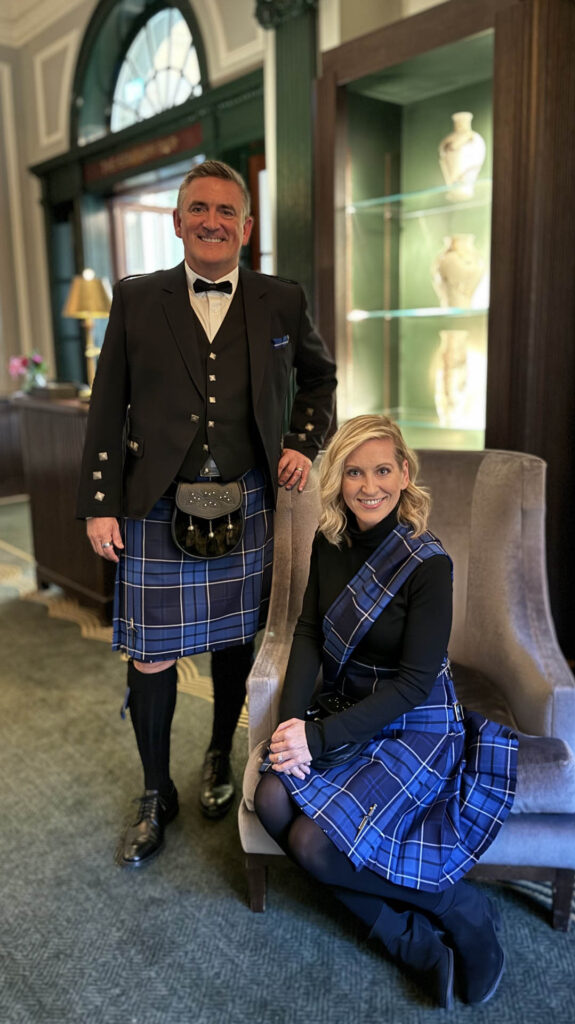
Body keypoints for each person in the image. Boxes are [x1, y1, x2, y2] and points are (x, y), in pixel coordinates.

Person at [76, 159, 336, 869]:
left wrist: (302, 442)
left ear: (246, 226)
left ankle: (218, 757)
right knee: (153, 655)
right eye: (199, 209)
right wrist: (100, 504)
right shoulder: (136, 299)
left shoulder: (281, 299)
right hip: (158, 501)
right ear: (178, 221)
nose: (213, 221)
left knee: (233, 646)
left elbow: (319, 378)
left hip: (247, 500)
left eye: (226, 210)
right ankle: (156, 791)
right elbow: (107, 405)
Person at [254, 414, 518, 1008]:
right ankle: (413, 942)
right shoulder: (329, 539)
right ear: (338, 479)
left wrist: (316, 742)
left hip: (415, 721)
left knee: (314, 845)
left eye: (381, 470)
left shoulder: (428, 563)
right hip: (347, 706)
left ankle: (457, 906)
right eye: (353, 472)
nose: (367, 485)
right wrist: (290, 727)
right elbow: (309, 630)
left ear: (404, 475)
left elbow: (415, 684)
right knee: (272, 798)